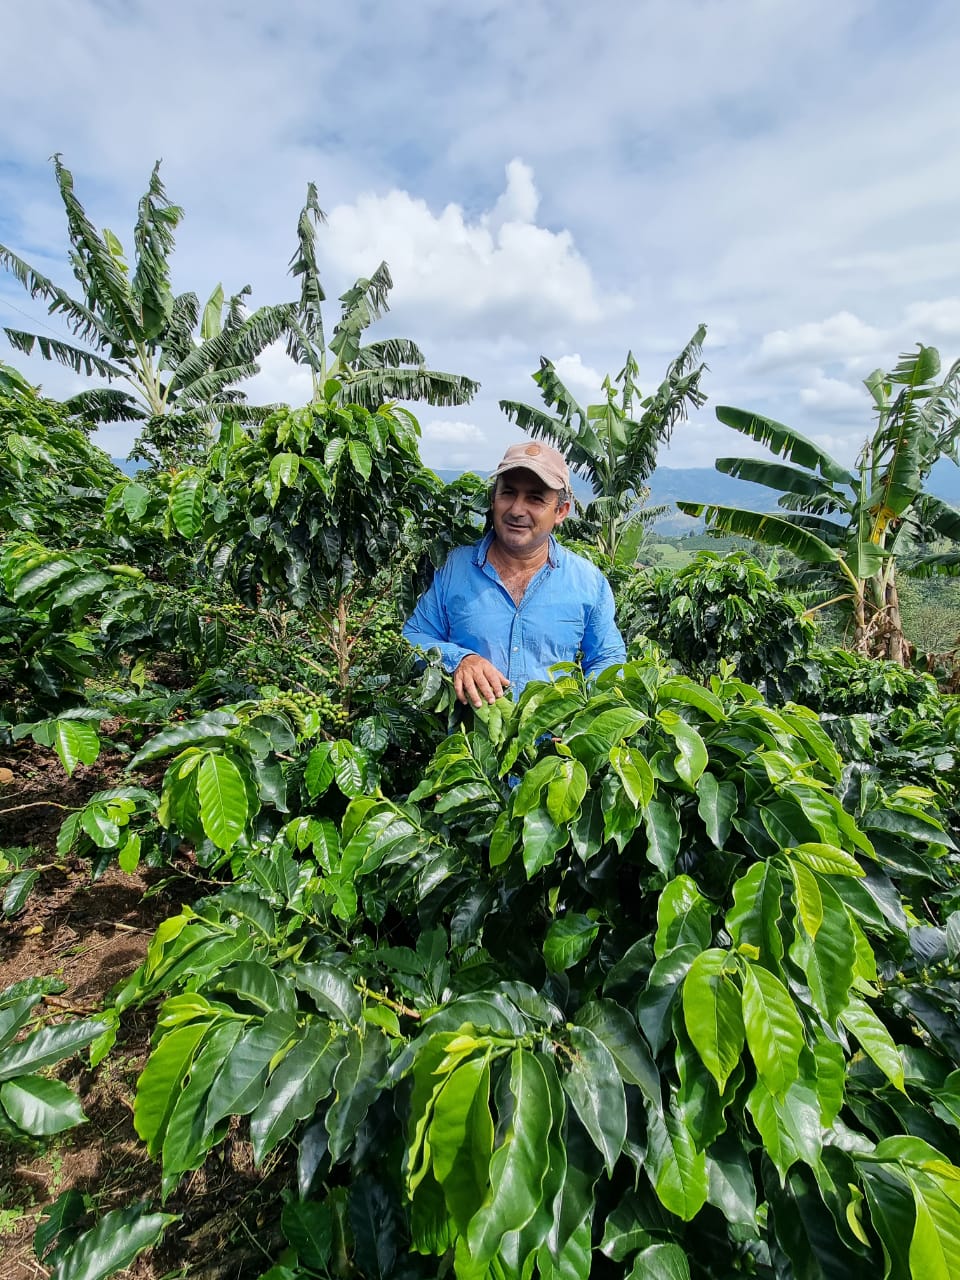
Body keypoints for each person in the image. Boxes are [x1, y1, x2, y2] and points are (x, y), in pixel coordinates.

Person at [403, 440, 626, 707]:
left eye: (535, 498)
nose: (517, 510)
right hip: (470, 745)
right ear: (493, 499)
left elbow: (608, 658)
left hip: (553, 745)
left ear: (561, 511)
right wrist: (459, 659)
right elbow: (413, 638)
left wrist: (583, 715)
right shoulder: (453, 568)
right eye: (508, 493)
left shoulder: (587, 582)